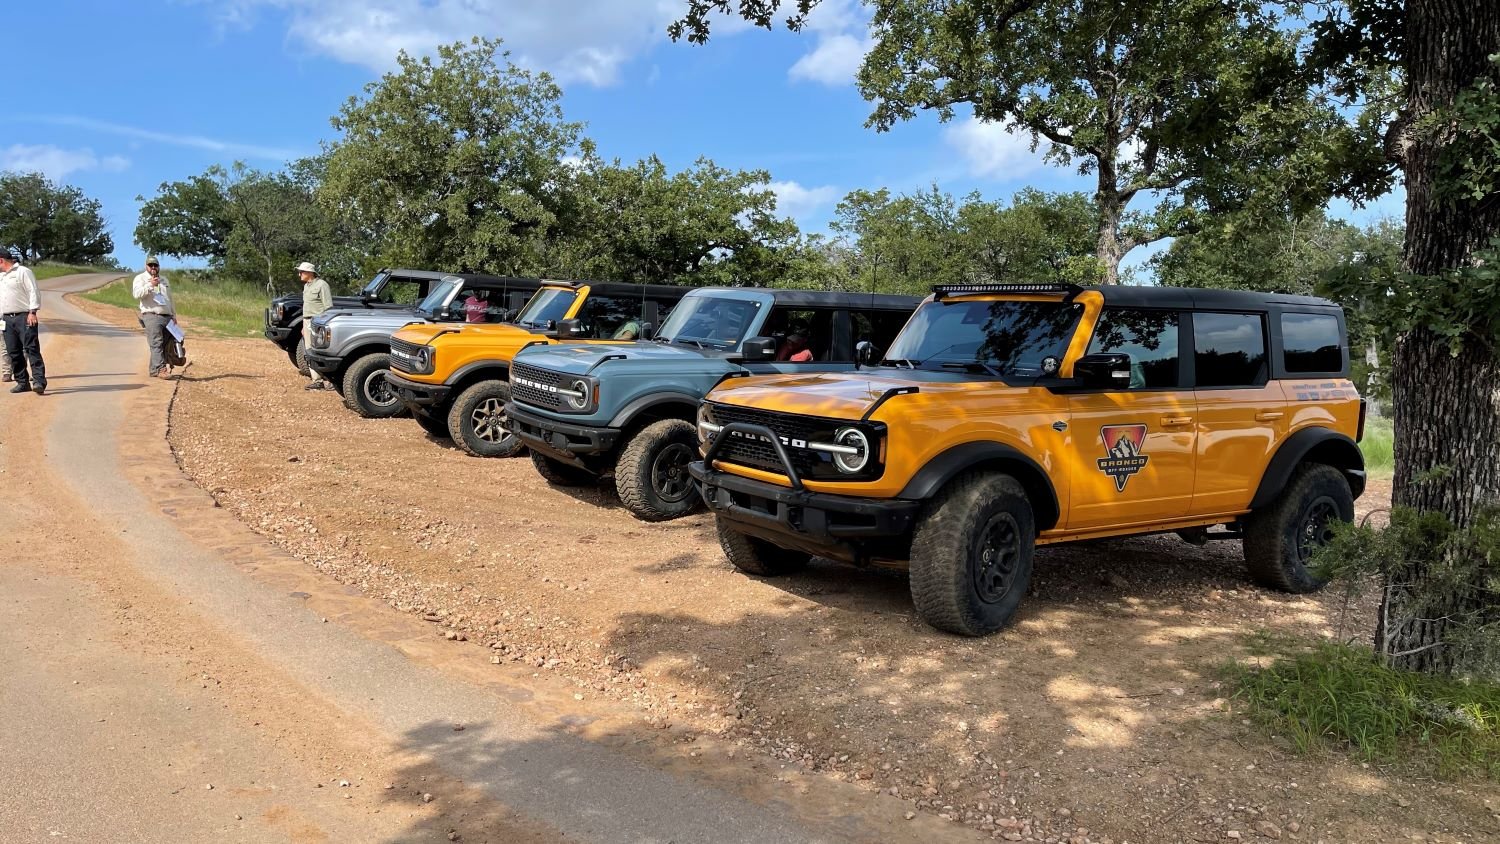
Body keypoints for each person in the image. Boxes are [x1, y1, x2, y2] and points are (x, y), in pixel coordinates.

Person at [0, 248, 45, 394]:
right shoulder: (1, 277)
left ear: (1, 260)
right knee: (13, 351)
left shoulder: (23, 272)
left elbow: (33, 291)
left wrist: (33, 312)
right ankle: (22, 382)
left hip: (24, 316)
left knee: (31, 348)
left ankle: (39, 381)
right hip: (6, 318)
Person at [132, 256, 176, 379]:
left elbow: (170, 299)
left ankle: (154, 370)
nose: (153, 268)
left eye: (155, 265)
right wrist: (150, 285)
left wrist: (174, 315)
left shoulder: (164, 280)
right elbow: (136, 294)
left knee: (164, 344)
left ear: (158, 266)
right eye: (150, 265)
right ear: (146, 266)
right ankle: (161, 369)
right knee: (156, 343)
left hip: (167, 316)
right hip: (151, 315)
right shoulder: (140, 278)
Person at [298, 261, 333, 390]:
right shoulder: (306, 287)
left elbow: (328, 307)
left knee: (321, 351)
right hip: (307, 321)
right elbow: (306, 308)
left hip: (318, 322)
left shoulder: (322, 285)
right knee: (309, 350)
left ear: (309, 272)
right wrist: (303, 325)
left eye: (302, 272)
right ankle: (316, 380)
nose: (299, 274)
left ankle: (329, 380)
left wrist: (324, 324)